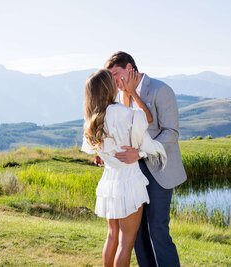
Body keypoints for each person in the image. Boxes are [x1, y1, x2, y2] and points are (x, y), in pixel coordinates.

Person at [105, 51, 187, 267]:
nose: (113, 80)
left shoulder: (161, 90)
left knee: (157, 230)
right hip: (131, 174)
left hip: (160, 171)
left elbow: (171, 133)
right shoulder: (120, 96)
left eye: (115, 74)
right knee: (137, 234)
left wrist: (139, 153)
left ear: (130, 68)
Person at [81, 69, 167, 267]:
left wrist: (126, 96)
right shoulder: (126, 114)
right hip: (129, 182)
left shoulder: (93, 120)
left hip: (109, 182)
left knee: (112, 236)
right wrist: (131, 92)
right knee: (126, 243)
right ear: (109, 88)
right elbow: (146, 120)